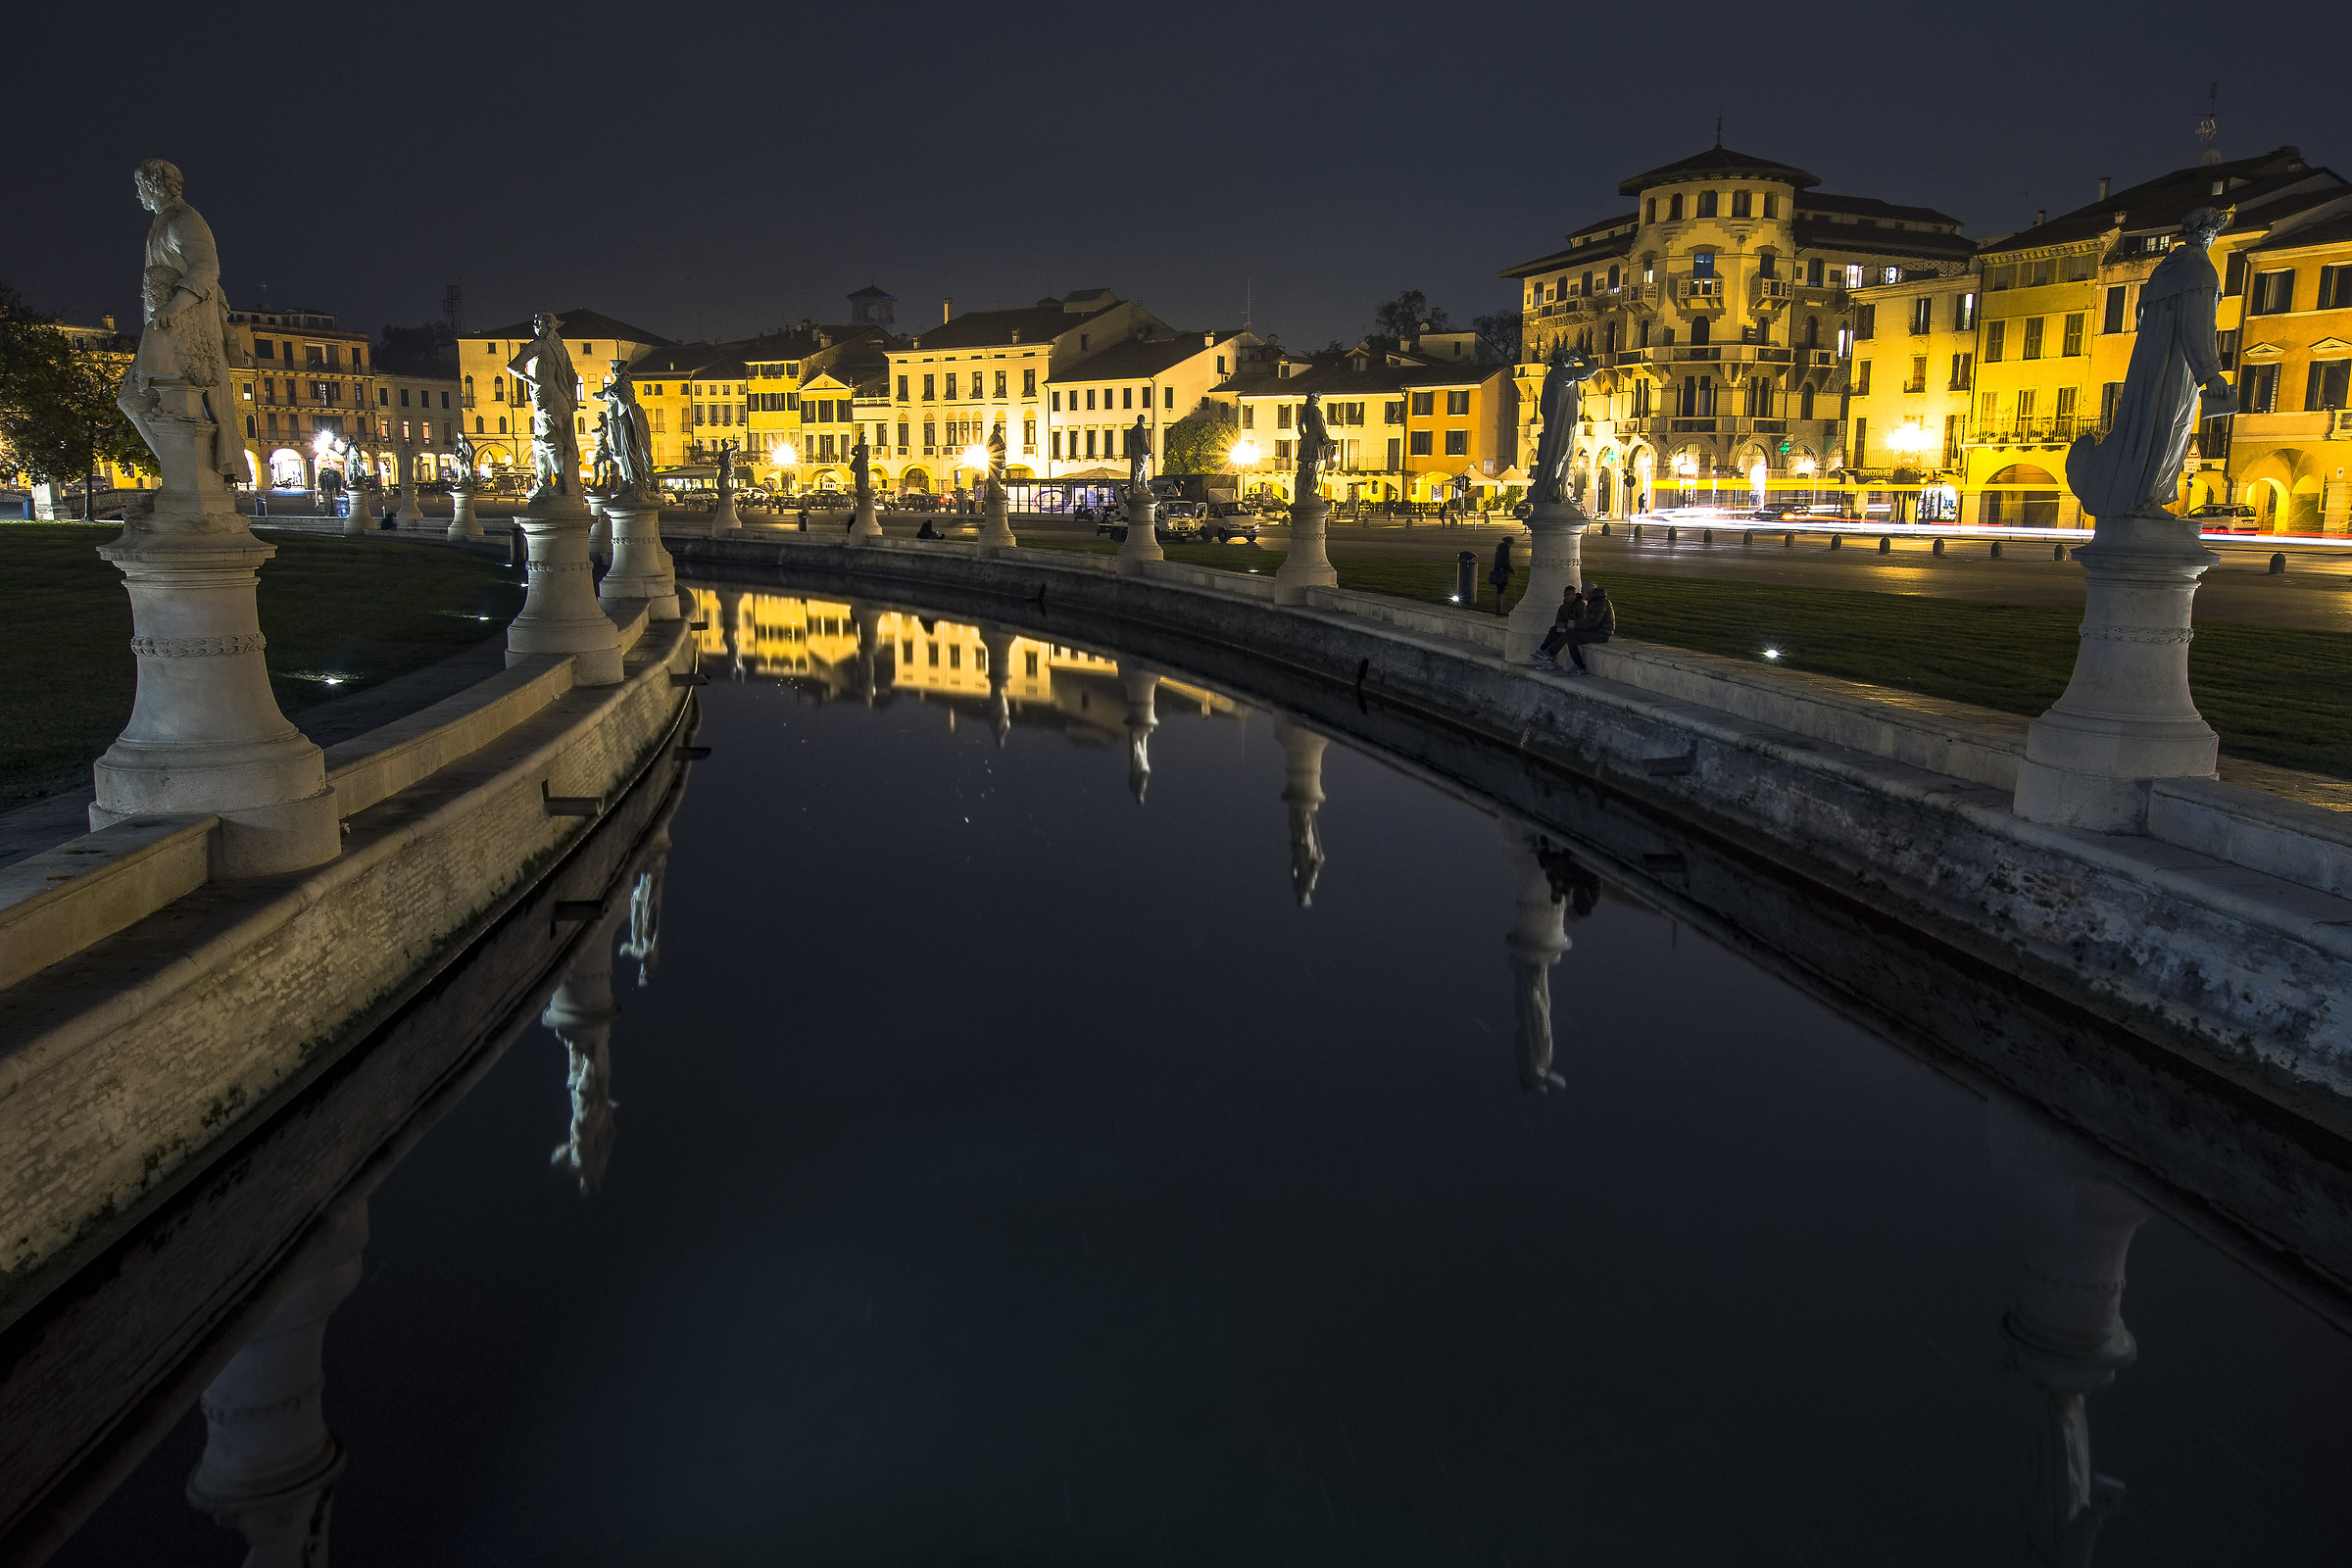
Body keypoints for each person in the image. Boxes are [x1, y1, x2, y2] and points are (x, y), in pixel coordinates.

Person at [1534, 584, 1614, 674]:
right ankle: (1581, 667)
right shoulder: (1594, 602)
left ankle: (1550, 652)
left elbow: (1594, 623)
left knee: (1570, 633)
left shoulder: (1600, 603)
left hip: (1601, 635)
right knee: (1571, 639)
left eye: (1583, 592)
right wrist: (1573, 624)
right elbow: (1589, 621)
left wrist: (1575, 625)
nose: (1581, 594)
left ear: (1590, 592)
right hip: (1595, 632)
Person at [1487, 537, 1515, 615]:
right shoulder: (1505, 550)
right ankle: (1499, 610)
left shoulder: (1500, 549)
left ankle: (1499, 609)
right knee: (1500, 591)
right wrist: (1511, 570)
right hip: (1502, 572)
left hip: (1498, 570)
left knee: (1500, 591)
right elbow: (1505, 562)